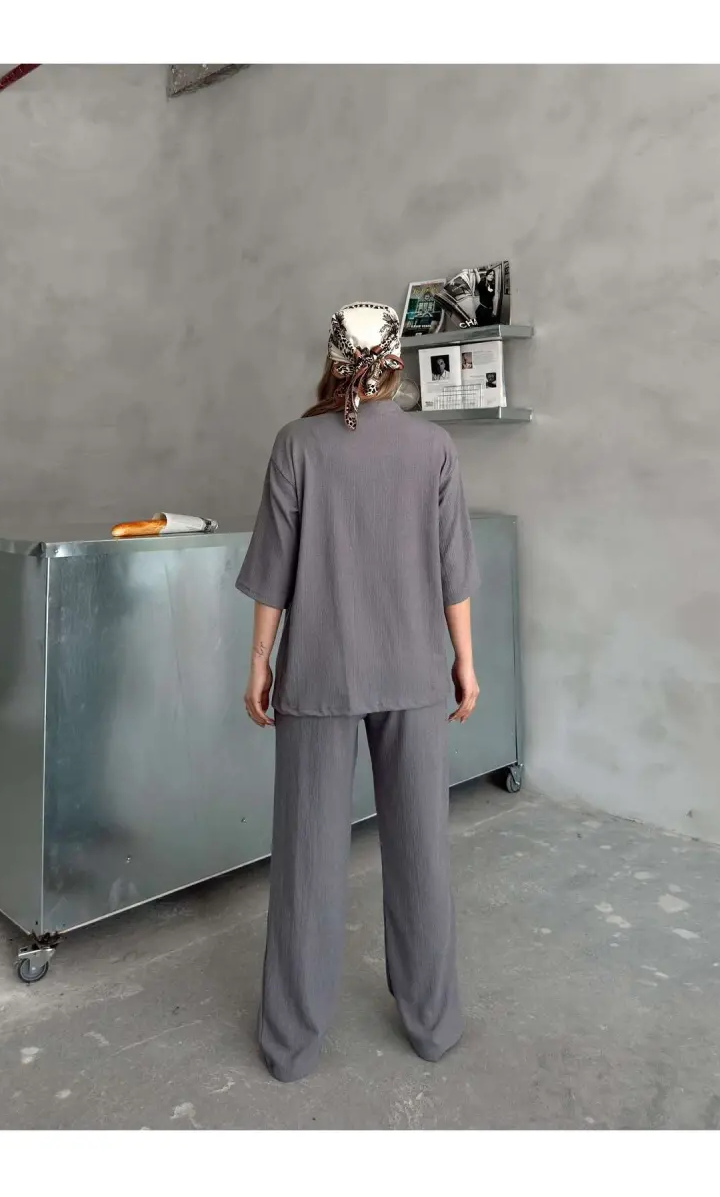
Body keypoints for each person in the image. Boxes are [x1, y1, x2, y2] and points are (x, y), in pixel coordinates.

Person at [236, 302, 480, 1083]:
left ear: (333, 359)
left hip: (319, 672)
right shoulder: (434, 447)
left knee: (306, 859)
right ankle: (434, 1026)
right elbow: (453, 571)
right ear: (397, 363)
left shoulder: (296, 444)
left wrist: (260, 661)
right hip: (414, 671)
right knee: (421, 851)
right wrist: (465, 661)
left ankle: (291, 1046)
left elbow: (273, 571)